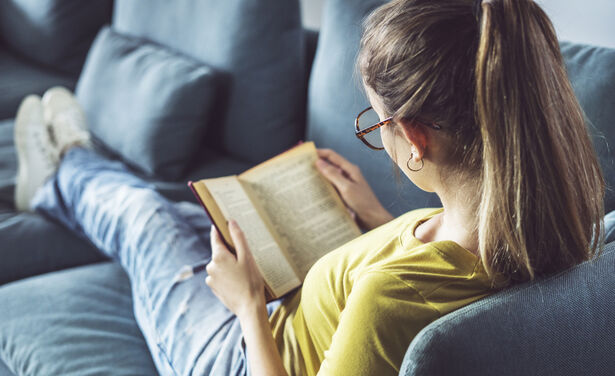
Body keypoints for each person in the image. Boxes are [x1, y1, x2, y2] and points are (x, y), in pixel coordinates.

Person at [12, 0, 605, 375]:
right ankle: (74, 167)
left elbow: (397, 300)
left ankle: (62, 169)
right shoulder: (566, 227)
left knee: (146, 220)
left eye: (376, 125)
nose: (379, 139)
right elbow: (436, 273)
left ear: (417, 139)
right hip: (290, 315)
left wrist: (246, 304)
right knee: (193, 218)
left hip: (239, 353)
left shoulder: (387, 302)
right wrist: (376, 218)